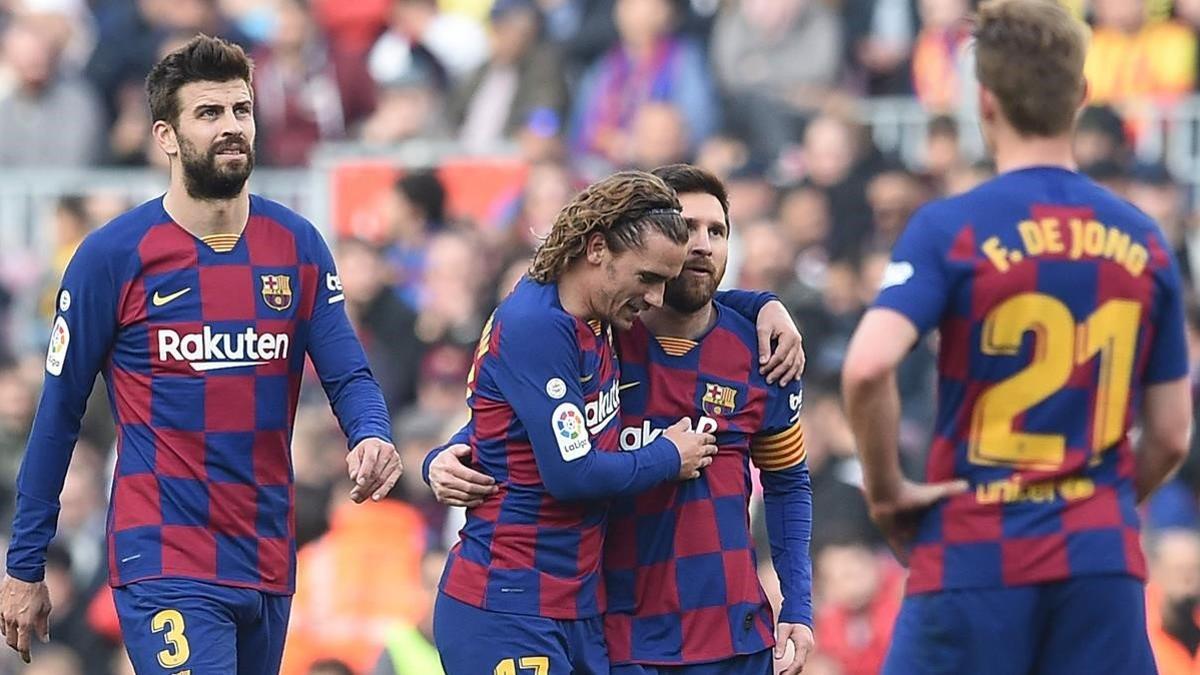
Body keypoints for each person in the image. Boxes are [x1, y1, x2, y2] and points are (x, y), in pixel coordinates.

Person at [0, 35, 402, 673]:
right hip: (165, 553)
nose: (232, 127)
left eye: (241, 111)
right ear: (166, 135)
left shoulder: (295, 245)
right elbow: (58, 416)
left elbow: (348, 370)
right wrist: (24, 564)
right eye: (209, 114)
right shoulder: (113, 257)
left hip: (267, 551)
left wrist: (371, 433)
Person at [840, 2, 1193, 674]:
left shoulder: (952, 227)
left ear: (984, 102)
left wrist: (887, 495)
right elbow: (1173, 433)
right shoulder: (1145, 239)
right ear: (1083, 97)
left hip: (974, 552)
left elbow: (866, 366)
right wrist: (1098, 504)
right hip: (1099, 565)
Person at [428, 164, 813, 675]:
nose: (700, 245)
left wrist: (800, 606)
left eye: (716, 231)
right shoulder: (602, 330)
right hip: (614, 633)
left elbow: (788, 483)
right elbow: (521, 424)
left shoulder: (765, 351)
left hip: (732, 637)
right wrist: (445, 457)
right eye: (687, 227)